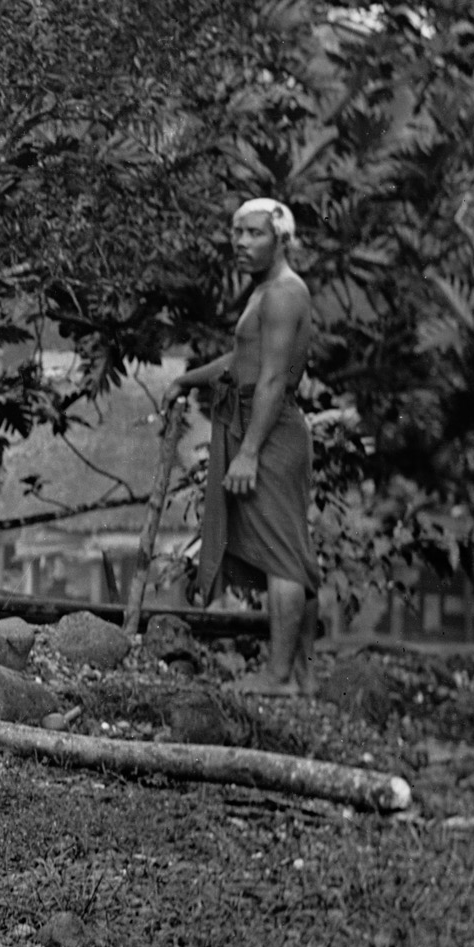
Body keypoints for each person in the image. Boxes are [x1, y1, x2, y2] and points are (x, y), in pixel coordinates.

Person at [166, 197, 320, 694]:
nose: (240, 242)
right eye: (236, 232)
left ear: (281, 239)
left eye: (253, 233)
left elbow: (274, 378)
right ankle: (300, 675)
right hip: (258, 422)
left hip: (269, 430)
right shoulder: (266, 291)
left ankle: (280, 677)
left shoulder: (282, 294)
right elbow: (243, 358)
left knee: (284, 556)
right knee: (288, 551)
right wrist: (188, 379)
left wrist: (250, 451)